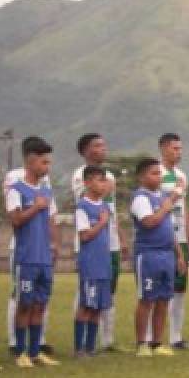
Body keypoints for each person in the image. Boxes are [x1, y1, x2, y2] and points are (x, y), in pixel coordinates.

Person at [69, 133, 126, 353]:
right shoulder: (80, 176)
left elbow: (110, 211)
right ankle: (80, 345)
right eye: (97, 145)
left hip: (107, 244)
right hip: (90, 249)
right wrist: (107, 186)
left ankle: (104, 340)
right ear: (85, 150)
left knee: (106, 292)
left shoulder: (108, 177)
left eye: (104, 144)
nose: (103, 149)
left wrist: (120, 235)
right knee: (86, 296)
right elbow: (86, 202)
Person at [7, 137, 60, 367]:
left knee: (40, 304)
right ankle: (20, 352)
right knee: (24, 304)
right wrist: (35, 207)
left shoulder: (46, 190)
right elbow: (16, 220)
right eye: (43, 163)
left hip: (44, 258)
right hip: (26, 257)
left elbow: (51, 219)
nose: (47, 168)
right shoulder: (16, 189)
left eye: (48, 163)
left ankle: (35, 350)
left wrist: (55, 245)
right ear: (30, 162)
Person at [129, 158, 185, 358]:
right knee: (146, 299)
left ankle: (157, 342)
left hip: (166, 254)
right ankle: (141, 342)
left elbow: (169, 229)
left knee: (164, 299)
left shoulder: (162, 197)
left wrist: (178, 254)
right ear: (142, 177)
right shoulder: (141, 198)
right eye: (154, 173)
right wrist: (168, 203)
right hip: (149, 254)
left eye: (159, 173)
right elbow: (149, 222)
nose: (158, 177)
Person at [159, 133, 189, 349]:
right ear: (163, 149)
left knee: (180, 288)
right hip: (163, 236)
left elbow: (184, 209)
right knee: (160, 288)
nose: (178, 153)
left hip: (180, 236)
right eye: (174, 149)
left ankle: (176, 336)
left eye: (180, 149)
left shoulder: (181, 175)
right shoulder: (157, 173)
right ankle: (152, 337)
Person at [74, 166, 112, 358]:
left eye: (104, 180)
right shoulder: (83, 206)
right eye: (98, 180)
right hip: (90, 262)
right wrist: (102, 222)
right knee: (86, 305)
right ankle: (79, 348)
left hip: (103, 262)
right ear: (87, 182)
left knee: (98, 306)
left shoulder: (104, 206)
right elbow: (85, 235)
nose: (102, 184)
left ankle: (90, 347)